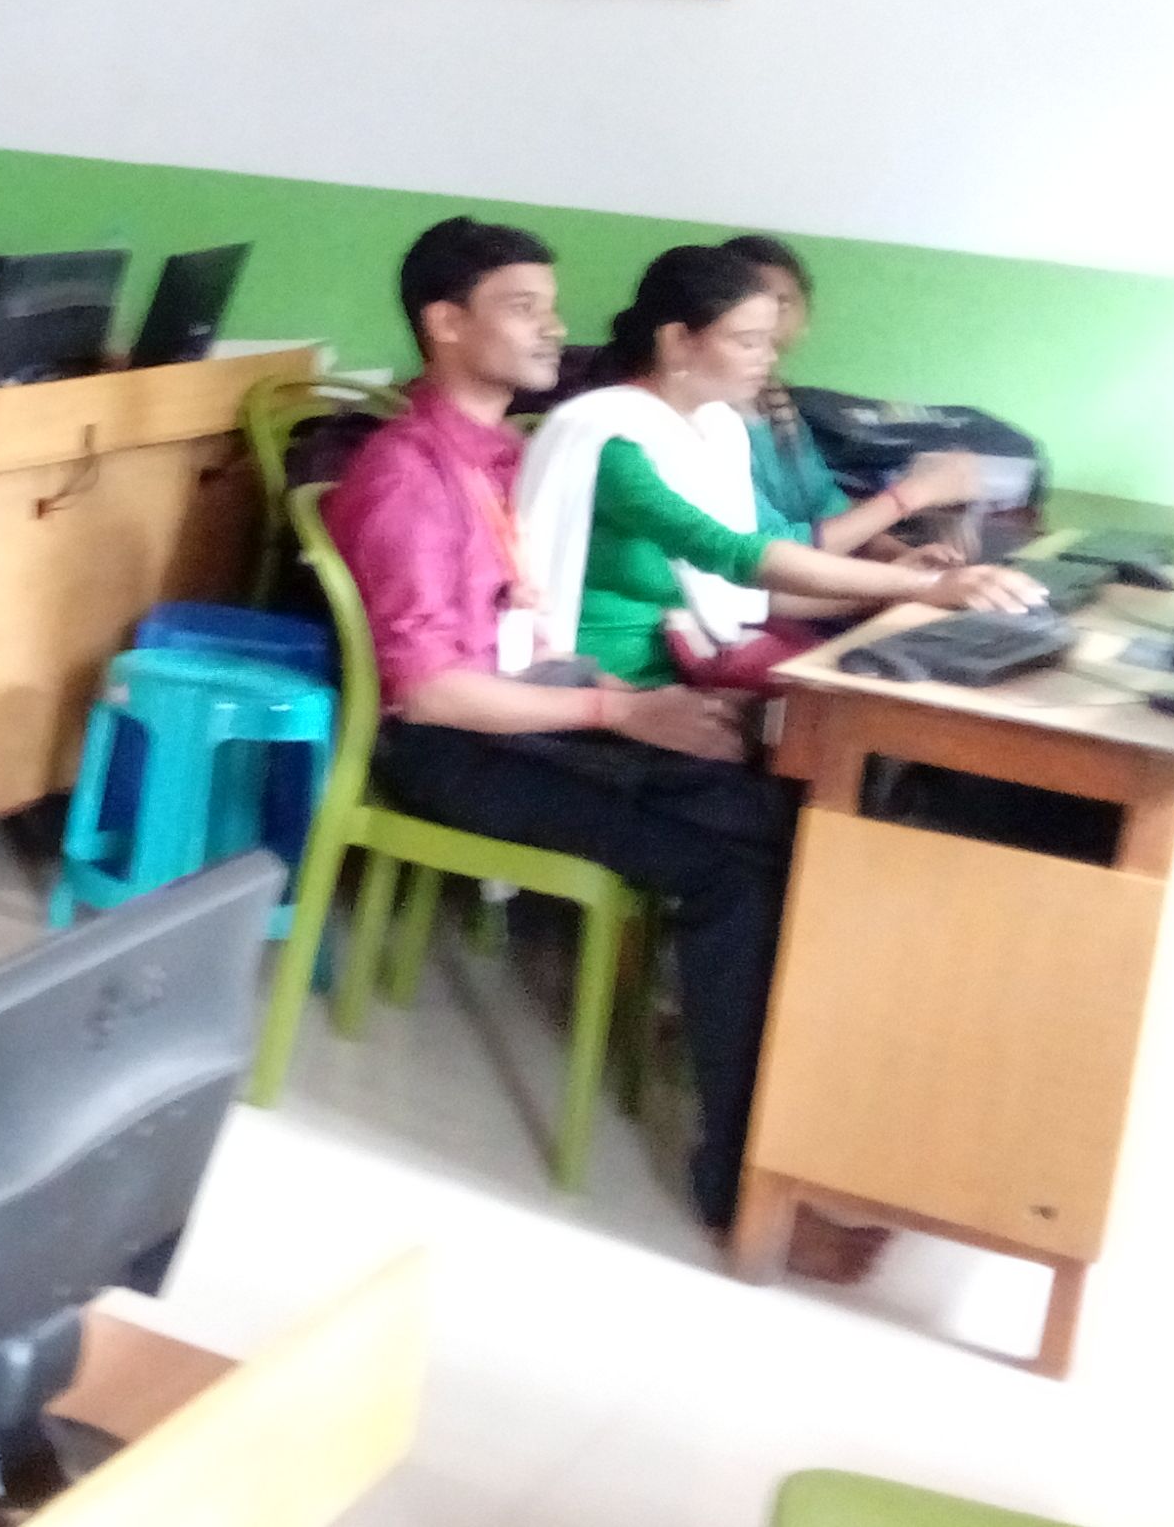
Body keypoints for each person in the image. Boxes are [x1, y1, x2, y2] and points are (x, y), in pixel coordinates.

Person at [324, 219, 873, 1268]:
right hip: (451, 748)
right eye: (521, 307)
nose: (554, 327)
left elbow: (531, 631)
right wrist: (619, 715)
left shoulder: (506, 453)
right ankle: (744, 1185)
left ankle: (797, 1142)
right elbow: (433, 692)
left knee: (787, 808)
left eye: (551, 304)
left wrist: (625, 694)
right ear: (445, 324)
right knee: (737, 862)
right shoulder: (409, 474)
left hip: (535, 707)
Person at [514, 245, 1039, 695]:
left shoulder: (714, 427)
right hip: (618, 679)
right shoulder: (613, 439)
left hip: (693, 655)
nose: (767, 357)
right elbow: (737, 555)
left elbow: (756, 591)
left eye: (768, 339)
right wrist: (921, 584)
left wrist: (903, 582)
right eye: (747, 341)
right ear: (677, 341)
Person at [720, 233, 981, 560]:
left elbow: (828, 510)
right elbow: (772, 555)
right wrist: (914, 494)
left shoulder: (780, 409)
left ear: (805, 319)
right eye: (750, 305)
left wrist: (910, 560)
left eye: (781, 305)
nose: (767, 321)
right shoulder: (707, 421)